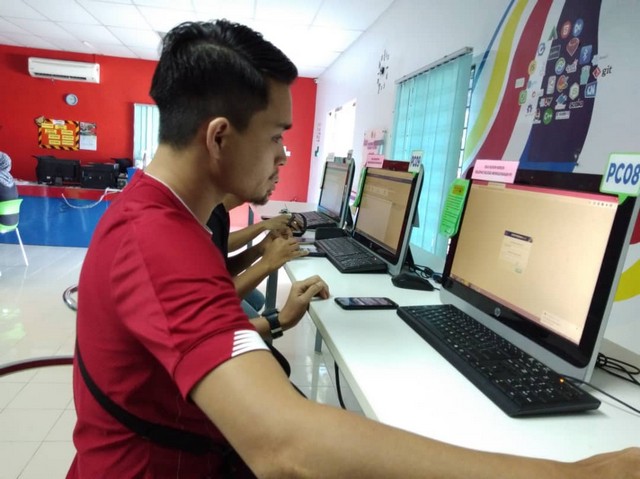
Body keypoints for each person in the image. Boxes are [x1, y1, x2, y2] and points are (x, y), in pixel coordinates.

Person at [67, 19, 640, 478]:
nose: (284, 155)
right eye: (277, 137)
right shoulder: (156, 240)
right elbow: (284, 446)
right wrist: (574, 474)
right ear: (219, 137)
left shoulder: (163, 217)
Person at [207, 194, 304, 318]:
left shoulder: (220, 211)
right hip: (206, 309)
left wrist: (261, 248)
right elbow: (214, 304)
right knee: (256, 319)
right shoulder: (207, 214)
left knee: (258, 300)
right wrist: (281, 320)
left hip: (211, 295)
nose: (274, 184)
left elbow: (221, 268)